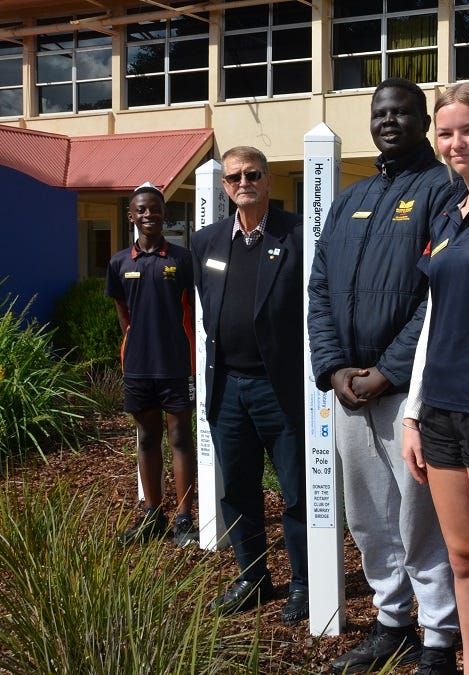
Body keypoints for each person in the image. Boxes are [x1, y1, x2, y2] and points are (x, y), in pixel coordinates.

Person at [308, 78, 459, 675]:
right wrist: (334, 367)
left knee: (419, 518)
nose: (388, 121)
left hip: (405, 391)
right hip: (349, 390)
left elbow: (436, 293)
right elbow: (319, 288)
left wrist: (389, 371)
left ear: (422, 121)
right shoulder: (351, 198)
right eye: (379, 113)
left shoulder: (440, 190)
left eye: (401, 112)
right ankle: (392, 622)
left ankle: (440, 638)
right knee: (368, 518)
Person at [402, 80, 469, 675]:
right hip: (440, 408)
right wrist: (414, 412)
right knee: (462, 559)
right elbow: (433, 319)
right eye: (445, 133)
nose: (456, 142)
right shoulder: (446, 212)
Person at [190, 146, 309, 626]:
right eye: (235, 176)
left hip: (279, 390)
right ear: (224, 187)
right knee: (236, 489)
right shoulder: (206, 242)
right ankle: (253, 576)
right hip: (228, 389)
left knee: (296, 490)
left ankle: (303, 581)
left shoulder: (298, 235)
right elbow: (207, 306)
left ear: (268, 180)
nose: (244, 182)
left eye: (253, 174)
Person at [106, 182, 198, 548]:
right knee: (146, 439)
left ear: (165, 214)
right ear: (131, 216)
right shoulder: (119, 262)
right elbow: (123, 314)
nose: (148, 215)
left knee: (179, 438)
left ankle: (184, 517)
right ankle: (152, 515)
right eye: (141, 210)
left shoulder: (181, 259)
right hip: (139, 367)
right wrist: (135, 346)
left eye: (155, 209)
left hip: (176, 364)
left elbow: (192, 311)